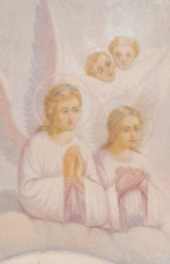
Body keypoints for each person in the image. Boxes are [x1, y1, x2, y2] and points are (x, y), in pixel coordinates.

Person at [18, 83, 114, 228]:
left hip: (79, 224)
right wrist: (67, 180)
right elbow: (27, 191)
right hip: (45, 223)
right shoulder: (36, 144)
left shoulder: (82, 148)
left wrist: (79, 180)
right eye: (65, 111)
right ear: (52, 112)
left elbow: (99, 198)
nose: (71, 117)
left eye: (75, 110)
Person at [95, 106, 161, 229]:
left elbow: (160, 201)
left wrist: (144, 185)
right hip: (110, 230)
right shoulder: (100, 160)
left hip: (141, 229)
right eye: (126, 130)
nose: (133, 135)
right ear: (114, 131)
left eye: (136, 129)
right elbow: (94, 203)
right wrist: (119, 188)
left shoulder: (142, 162)